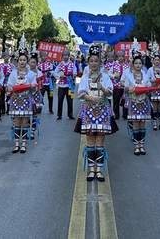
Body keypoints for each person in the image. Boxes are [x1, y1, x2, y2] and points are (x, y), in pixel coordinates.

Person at [75, 44, 117, 181]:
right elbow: (80, 93)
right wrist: (89, 97)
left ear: (100, 62)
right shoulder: (85, 77)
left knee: (100, 140)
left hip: (103, 111)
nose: (94, 63)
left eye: (96, 61)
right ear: (88, 62)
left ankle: (98, 170)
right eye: (91, 61)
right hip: (88, 111)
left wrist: (102, 88)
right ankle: (91, 170)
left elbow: (110, 92)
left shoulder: (105, 76)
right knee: (90, 140)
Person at [7, 44, 37, 153]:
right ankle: (16, 144)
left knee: (25, 122)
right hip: (15, 100)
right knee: (16, 122)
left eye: (24, 60)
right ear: (17, 61)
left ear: (27, 61)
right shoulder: (13, 73)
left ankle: (23, 143)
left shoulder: (31, 74)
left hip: (26, 100)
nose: (22, 62)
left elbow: (34, 87)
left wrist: (32, 86)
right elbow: (9, 86)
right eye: (20, 60)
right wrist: (10, 88)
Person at [122, 46, 152, 155]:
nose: (138, 65)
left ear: (142, 64)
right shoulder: (128, 75)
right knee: (135, 124)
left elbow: (149, 86)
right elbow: (125, 87)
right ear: (133, 65)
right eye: (136, 63)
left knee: (142, 124)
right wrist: (130, 89)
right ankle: (136, 146)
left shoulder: (145, 75)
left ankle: (142, 145)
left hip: (143, 102)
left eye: (140, 63)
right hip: (133, 101)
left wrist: (148, 88)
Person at [146, 43, 160, 131]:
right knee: (154, 108)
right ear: (152, 61)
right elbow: (147, 80)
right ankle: (155, 123)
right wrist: (153, 81)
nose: (157, 61)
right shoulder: (150, 69)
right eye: (155, 60)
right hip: (154, 90)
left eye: (158, 60)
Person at [53, 49, 77, 120]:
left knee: (70, 101)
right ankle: (59, 115)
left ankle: (70, 114)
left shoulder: (72, 64)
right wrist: (59, 76)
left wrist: (74, 75)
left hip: (69, 86)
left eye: (67, 55)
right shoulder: (60, 64)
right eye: (64, 55)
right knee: (60, 100)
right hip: (61, 85)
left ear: (69, 56)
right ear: (62, 56)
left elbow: (75, 72)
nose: (65, 57)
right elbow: (54, 72)